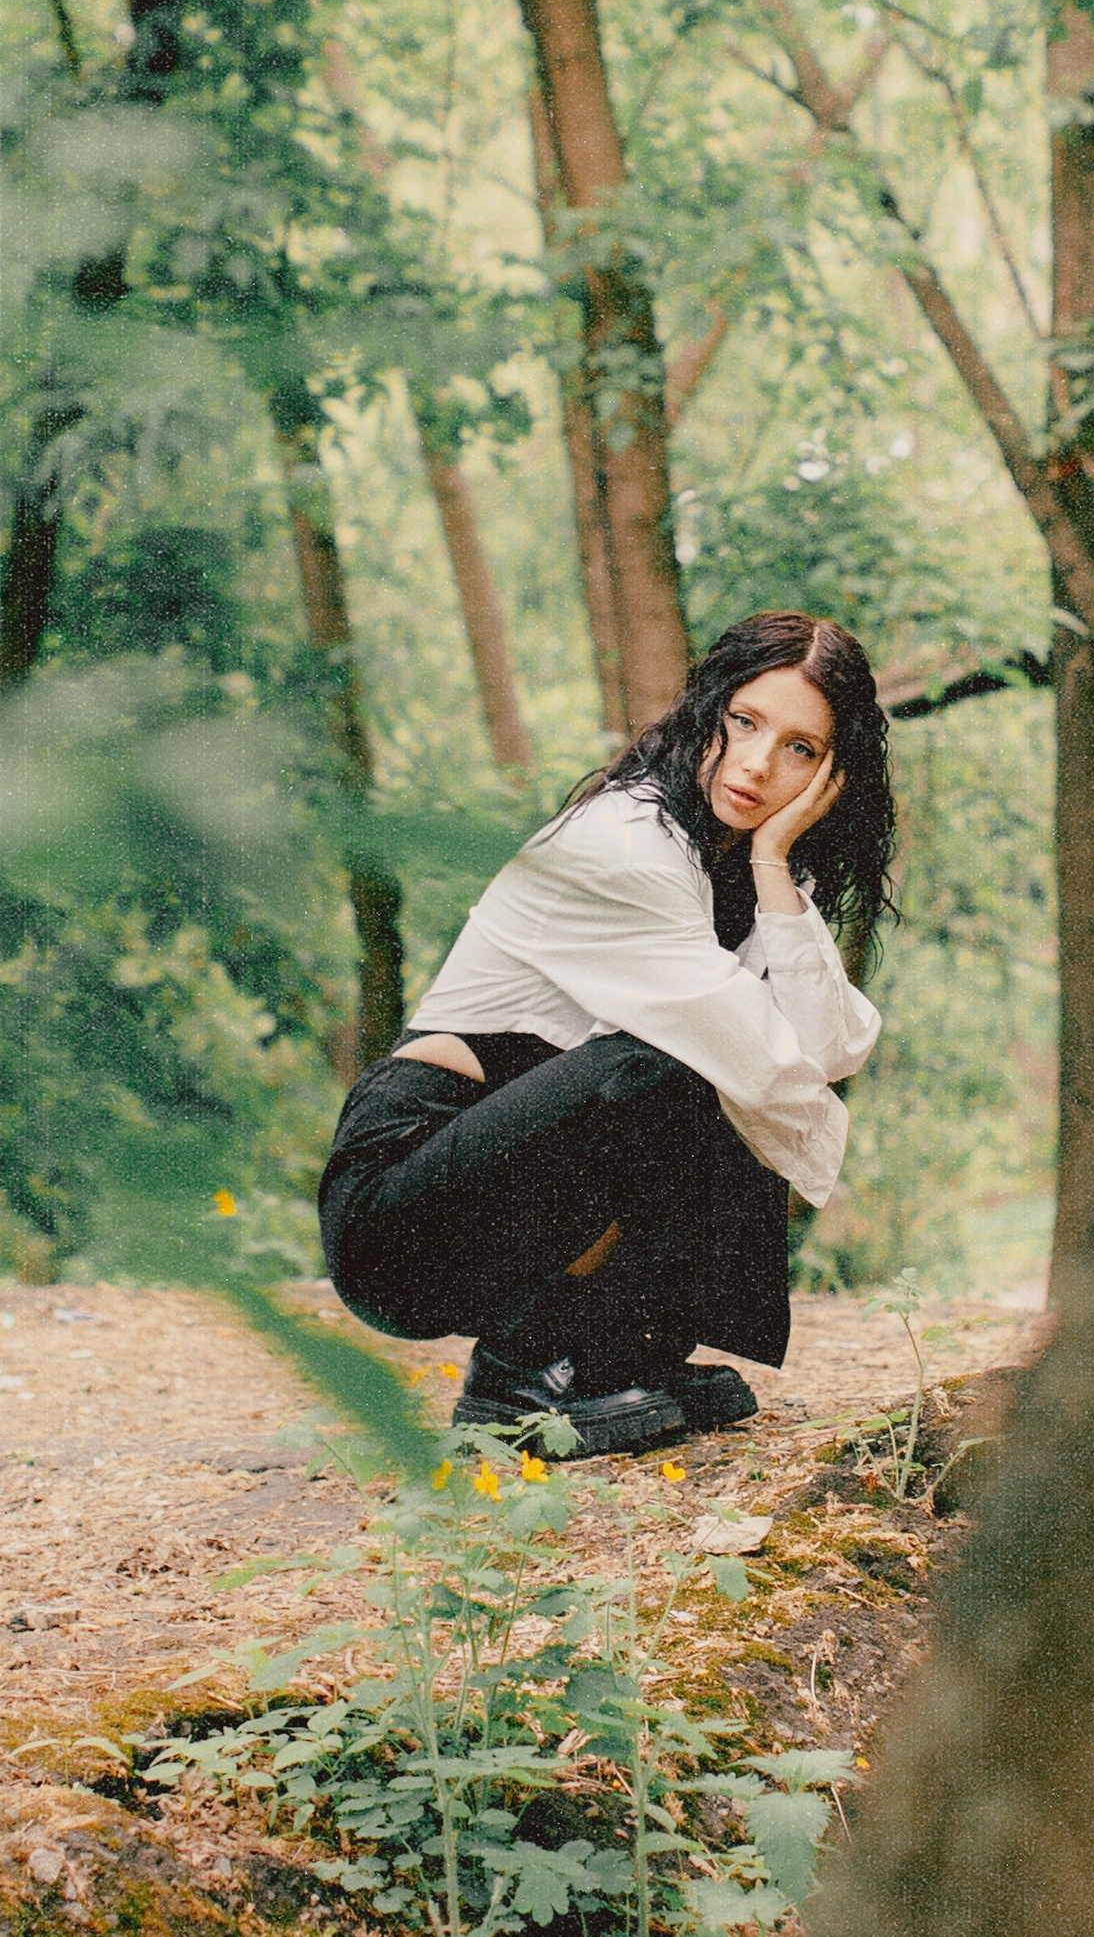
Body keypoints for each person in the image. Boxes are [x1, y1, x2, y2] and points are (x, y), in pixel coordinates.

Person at [318, 613, 895, 1460]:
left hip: (499, 1174)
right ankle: (520, 1376)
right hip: (401, 1207)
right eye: (746, 722)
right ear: (709, 708)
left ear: (832, 773)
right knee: (668, 1067)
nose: (759, 764)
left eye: (801, 749)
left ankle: (613, 1352)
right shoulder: (626, 845)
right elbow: (775, 1071)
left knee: (701, 1062)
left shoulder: (747, 860)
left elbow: (829, 1048)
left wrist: (774, 863)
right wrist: (782, 1084)